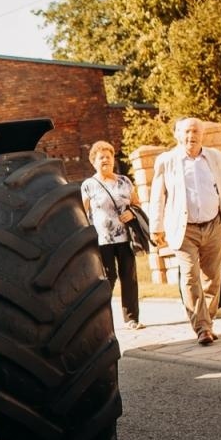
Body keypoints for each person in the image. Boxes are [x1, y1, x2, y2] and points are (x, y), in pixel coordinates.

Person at [150, 119, 221, 346]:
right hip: (183, 228)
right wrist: (156, 227)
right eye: (186, 131)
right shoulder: (167, 161)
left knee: (213, 279)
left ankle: (207, 320)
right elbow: (157, 195)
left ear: (203, 134)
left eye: (196, 131)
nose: (191, 135)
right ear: (177, 134)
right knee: (190, 277)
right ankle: (202, 328)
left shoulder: (216, 157)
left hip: (212, 224)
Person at [80, 140, 144, 330]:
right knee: (108, 278)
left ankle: (131, 318)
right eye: (101, 158)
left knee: (129, 276)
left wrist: (131, 213)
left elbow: (137, 204)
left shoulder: (124, 181)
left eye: (108, 156)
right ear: (94, 161)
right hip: (102, 239)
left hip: (126, 237)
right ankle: (103, 318)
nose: (106, 160)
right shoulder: (88, 185)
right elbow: (82, 213)